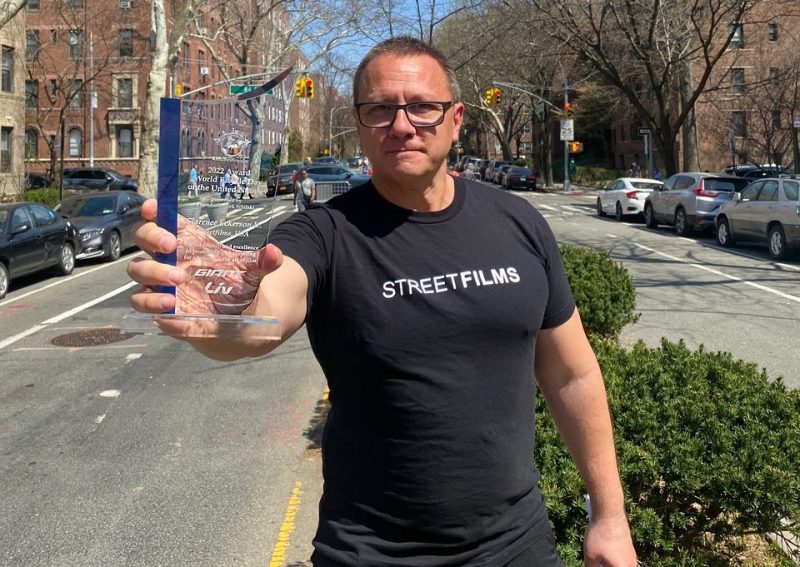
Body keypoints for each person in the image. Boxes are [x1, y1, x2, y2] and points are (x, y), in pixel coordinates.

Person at [127, 36, 636, 567]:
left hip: (518, 547)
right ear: (360, 123)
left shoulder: (520, 223)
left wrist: (610, 516)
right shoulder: (323, 233)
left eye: (422, 107)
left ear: (456, 120)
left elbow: (572, 376)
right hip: (371, 553)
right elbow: (268, 310)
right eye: (380, 110)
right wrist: (223, 314)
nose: (401, 125)